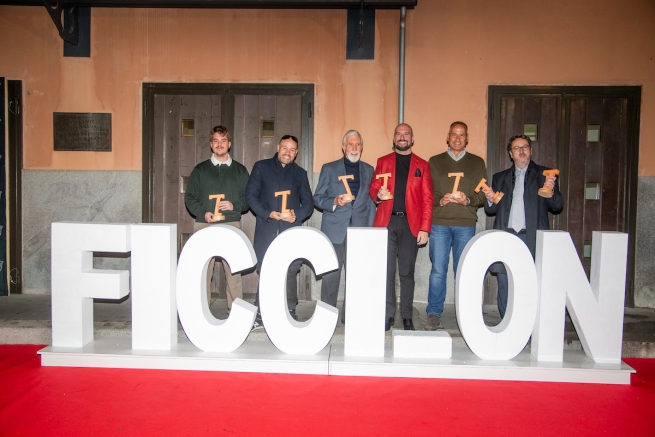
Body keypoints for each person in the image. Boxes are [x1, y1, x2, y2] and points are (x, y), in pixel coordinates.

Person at [483, 134, 563, 317]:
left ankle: (528, 321)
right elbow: (491, 210)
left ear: (531, 151)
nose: (521, 151)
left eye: (525, 147)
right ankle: (506, 321)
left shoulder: (545, 175)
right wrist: (490, 200)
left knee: (530, 281)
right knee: (505, 281)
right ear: (511, 154)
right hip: (507, 236)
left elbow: (558, 206)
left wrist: (550, 190)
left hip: (531, 237)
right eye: (516, 148)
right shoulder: (500, 177)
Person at [245, 134, 314, 329]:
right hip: (267, 229)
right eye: (285, 148)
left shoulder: (300, 174)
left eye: (292, 150)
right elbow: (250, 196)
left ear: (296, 152)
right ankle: (261, 313)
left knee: (290, 270)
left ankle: (290, 310)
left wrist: (296, 215)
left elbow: (308, 204)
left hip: (290, 230)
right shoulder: (261, 167)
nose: (287, 152)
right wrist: (268, 213)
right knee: (266, 269)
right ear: (278, 147)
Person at [369, 123, 432, 331]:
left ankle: (406, 316)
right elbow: (373, 188)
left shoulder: (422, 165)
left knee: (407, 273)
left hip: (410, 224)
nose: (402, 137)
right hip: (386, 223)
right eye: (399, 134)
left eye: (406, 134)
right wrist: (377, 195)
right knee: (386, 272)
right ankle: (387, 315)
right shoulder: (383, 161)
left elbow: (427, 199)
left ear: (412, 139)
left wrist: (425, 228)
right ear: (394, 138)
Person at [425, 121, 487, 331]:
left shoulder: (477, 163)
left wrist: (467, 200)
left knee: (463, 270)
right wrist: (439, 200)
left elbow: (482, 195)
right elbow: (427, 192)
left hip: (465, 224)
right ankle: (434, 313)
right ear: (448, 137)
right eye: (454, 134)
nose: (457, 138)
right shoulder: (435, 161)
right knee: (438, 271)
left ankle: (465, 312)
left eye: (462, 135)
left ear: (467, 138)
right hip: (440, 223)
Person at [313, 130, 376, 323]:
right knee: (331, 275)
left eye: (357, 144)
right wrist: (334, 201)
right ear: (343, 147)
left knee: (357, 276)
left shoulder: (369, 170)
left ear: (362, 147)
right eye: (350, 144)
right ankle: (327, 317)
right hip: (334, 230)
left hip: (360, 230)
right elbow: (317, 197)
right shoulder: (329, 168)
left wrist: (370, 232)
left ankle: (350, 316)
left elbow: (371, 204)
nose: (354, 148)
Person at [184, 125, 249, 311]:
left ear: (229, 144)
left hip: (231, 223)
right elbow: (190, 197)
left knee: (234, 271)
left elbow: (248, 198)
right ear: (211, 145)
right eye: (216, 141)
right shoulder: (200, 170)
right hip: (204, 224)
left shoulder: (240, 171)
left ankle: (236, 311)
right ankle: (200, 310)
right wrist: (203, 212)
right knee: (203, 270)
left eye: (223, 141)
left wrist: (234, 206)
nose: (219, 144)